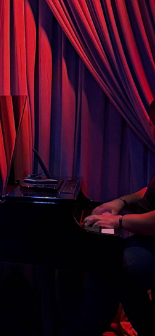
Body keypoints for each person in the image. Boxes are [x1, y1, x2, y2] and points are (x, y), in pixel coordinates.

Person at [78, 99, 155, 335]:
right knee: (112, 266)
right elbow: (148, 192)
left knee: (109, 268)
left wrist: (118, 221)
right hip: (146, 242)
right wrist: (120, 202)